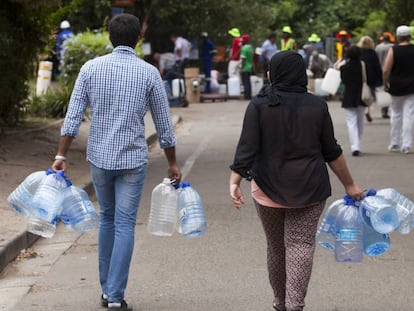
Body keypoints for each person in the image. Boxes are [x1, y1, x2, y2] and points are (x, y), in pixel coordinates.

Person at [51, 13, 181, 310]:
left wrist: (60, 155)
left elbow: (71, 120)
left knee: (107, 219)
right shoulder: (149, 73)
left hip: (99, 157)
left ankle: (106, 289)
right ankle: (115, 296)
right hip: (133, 159)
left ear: (109, 37)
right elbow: (164, 126)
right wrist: (172, 163)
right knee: (124, 224)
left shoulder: (90, 69)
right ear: (138, 39)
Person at [229, 51, 363, 311]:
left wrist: (234, 180)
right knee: (300, 245)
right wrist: (349, 184)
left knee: (276, 247)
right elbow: (331, 151)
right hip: (310, 189)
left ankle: (280, 302)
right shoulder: (317, 106)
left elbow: (247, 148)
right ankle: (294, 305)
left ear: (273, 73)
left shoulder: (259, 105)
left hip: (266, 188)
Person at [383, 25, 414, 154]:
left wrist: (385, 83)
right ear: (409, 36)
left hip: (396, 86)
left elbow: (386, 69)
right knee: (409, 115)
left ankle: (395, 143)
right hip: (412, 86)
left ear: (397, 37)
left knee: (396, 114)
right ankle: (406, 145)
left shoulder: (393, 50)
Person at [340, 45, 366, 156]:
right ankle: (357, 143)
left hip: (349, 96)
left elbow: (343, 81)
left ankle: (354, 146)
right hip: (361, 96)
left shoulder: (344, 67)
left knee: (351, 122)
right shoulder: (363, 66)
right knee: (360, 121)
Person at [357, 36, 383, 123]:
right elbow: (377, 66)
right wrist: (380, 78)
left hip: (360, 76)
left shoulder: (358, 52)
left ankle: (360, 110)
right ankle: (367, 110)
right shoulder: (373, 53)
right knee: (369, 96)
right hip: (371, 77)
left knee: (360, 94)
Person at [375, 32, 395, 119]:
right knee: (389, 89)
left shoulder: (378, 47)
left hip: (379, 70)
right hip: (390, 70)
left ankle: (383, 109)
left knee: (382, 89)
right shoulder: (392, 46)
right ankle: (387, 109)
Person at [240, 34, 253, 100]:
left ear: (245, 41)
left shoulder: (244, 48)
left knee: (245, 82)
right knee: (248, 82)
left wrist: (241, 67)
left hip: (245, 67)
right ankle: (249, 96)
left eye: (242, 41)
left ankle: (246, 96)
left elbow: (243, 59)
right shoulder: (250, 48)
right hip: (249, 67)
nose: (242, 42)